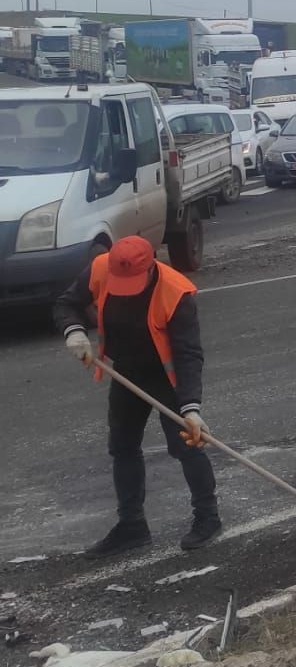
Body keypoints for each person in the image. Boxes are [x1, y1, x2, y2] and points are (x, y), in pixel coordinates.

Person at [53, 235, 221, 555]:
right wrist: (73, 330)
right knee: (122, 447)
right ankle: (132, 526)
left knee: (186, 445)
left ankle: (208, 517)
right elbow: (66, 303)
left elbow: (188, 354)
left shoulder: (176, 292)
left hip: (166, 377)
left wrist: (191, 408)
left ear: (151, 266)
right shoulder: (101, 268)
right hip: (127, 372)